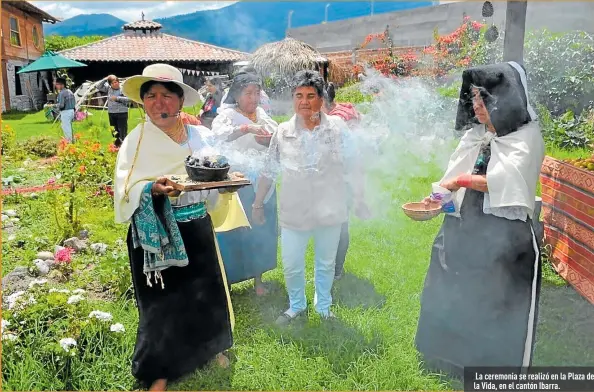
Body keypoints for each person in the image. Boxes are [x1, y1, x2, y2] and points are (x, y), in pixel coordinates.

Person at [115, 63, 250, 391]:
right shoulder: (136, 141)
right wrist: (153, 189)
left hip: (197, 227)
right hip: (158, 232)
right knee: (162, 304)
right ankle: (159, 369)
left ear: (179, 101)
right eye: (150, 96)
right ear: (143, 102)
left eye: (165, 96)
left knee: (206, 296)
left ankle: (210, 350)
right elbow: (125, 188)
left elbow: (215, 174)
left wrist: (226, 185)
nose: (158, 103)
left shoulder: (201, 135)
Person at [414, 61, 545, 379]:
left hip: (505, 235)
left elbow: (504, 182)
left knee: (496, 299)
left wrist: (460, 182)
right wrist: (436, 203)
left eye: (483, 98)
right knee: (453, 288)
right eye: (473, 98)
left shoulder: (526, 137)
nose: (476, 105)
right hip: (463, 226)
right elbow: (451, 178)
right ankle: (446, 357)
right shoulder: (476, 136)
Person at [252, 70, 370, 325]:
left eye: (310, 96)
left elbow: (354, 165)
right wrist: (258, 202)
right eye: (298, 96)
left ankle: (323, 306)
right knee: (292, 263)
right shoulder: (283, 132)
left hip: (330, 209)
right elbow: (269, 171)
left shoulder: (337, 129)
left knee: (326, 262)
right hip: (294, 211)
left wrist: (360, 198)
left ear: (321, 99)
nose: (304, 102)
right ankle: (296, 305)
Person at [211, 69, 279, 296]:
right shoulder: (227, 116)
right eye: (248, 93)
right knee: (235, 231)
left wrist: (267, 140)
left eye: (256, 93)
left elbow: (275, 137)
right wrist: (245, 129)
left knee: (261, 230)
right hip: (237, 184)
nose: (253, 98)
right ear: (237, 94)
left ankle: (258, 280)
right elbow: (218, 137)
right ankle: (228, 281)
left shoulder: (261, 114)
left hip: (263, 182)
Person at [322, 82, 362, 280]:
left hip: (339, 178)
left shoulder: (336, 119)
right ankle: (336, 268)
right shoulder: (346, 109)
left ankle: (334, 269)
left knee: (336, 227)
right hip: (346, 177)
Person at [98, 75, 131, 147]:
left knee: (122, 130)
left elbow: (129, 99)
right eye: (112, 83)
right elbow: (99, 86)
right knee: (114, 130)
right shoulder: (108, 89)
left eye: (116, 82)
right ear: (110, 84)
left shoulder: (123, 89)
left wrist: (117, 98)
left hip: (122, 113)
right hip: (112, 113)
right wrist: (105, 79)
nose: (114, 84)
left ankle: (124, 146)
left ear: (118, 82)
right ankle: (117, 145)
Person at [55, 78, 76, 142]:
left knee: (66, 128)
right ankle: (73, 141)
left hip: (65, 112)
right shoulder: (70, 91)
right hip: (72, 111)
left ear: (62, 85)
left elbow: (61, 105)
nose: (56, 86)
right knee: (70, 128)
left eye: (57, 84)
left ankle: (68, 144)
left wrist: (54, 105)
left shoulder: (61, 93)